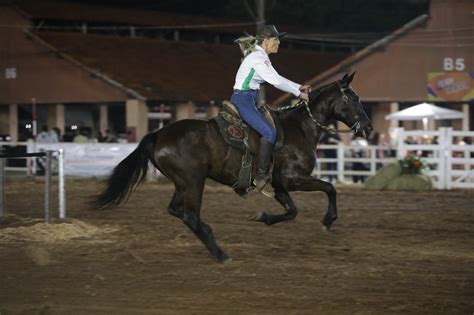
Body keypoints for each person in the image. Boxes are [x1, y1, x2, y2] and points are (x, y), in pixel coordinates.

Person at [231, 25, 310, 193]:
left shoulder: (260, 57)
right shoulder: (258, 59)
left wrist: (299, 87)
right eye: (276, 39)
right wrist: (298, 93)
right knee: (269, 133)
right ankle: (260, 176)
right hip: (243, 100)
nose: (279, 42)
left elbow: (277, 78)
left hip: (247, 99)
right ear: (266, 40)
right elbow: (275, 82)